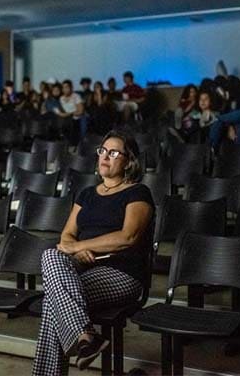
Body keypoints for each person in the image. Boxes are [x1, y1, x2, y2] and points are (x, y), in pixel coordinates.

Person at [32, 130, 154, 375]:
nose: (105, 156)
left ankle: (83, 337)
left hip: (123, 274)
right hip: (83, 268)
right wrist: (76, 253)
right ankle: (86, 335)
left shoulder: (138, 193)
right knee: (50, 255)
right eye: (102, 151)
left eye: (114, 152)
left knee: (52, 302)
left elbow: (127, 237)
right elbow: (66, 237)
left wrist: (81, 247)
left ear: (129, 161)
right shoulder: (87, 194)